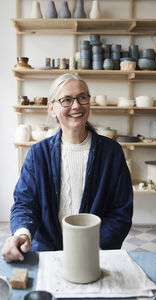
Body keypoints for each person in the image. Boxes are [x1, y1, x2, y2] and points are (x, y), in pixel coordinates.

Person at [2, 73, 133, 262]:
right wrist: (22, 234)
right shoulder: (39, 154)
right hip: (47, 253)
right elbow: (25, 203)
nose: (76, 105)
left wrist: (93, 247)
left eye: (82, 97)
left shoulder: (111, 153)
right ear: (52, 109)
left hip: (95, 253)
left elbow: (121, 211)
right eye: (66, 100)